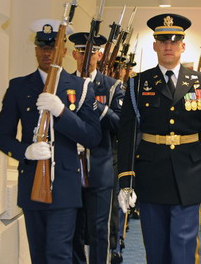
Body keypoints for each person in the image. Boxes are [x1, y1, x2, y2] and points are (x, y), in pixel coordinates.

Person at [117, 13, 201, 263]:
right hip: (151, 174)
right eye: (163, 41)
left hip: (190, 174)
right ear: (154, 45)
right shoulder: (138, 83)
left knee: (184, 249)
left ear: (183, 46)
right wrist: (126, 179)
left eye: (174, 42)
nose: (168, 47)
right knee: (155, 249)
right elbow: (128, 132)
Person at [0, 19, 102, 264]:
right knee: (40, 255)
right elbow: (3, 137)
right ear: (35, 49)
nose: (47, 53)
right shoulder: (19, 87)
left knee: (59, 254)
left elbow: (92, 137)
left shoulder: (80, 86)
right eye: (42, 47)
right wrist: (26, 152)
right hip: (32, 180)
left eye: (53, 47)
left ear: (63, 51)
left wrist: (62, 113)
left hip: (65, 184)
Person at [69, 32, 125, 264]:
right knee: (72, 229)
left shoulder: (111, 87)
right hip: (69, 166)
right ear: (74, 54)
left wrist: (97, 106)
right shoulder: (64, 83)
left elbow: (122, 124)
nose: (86, 56)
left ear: (100, 55)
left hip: (101, 166)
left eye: (91, 52)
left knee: (100, 229)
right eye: (81, 51)